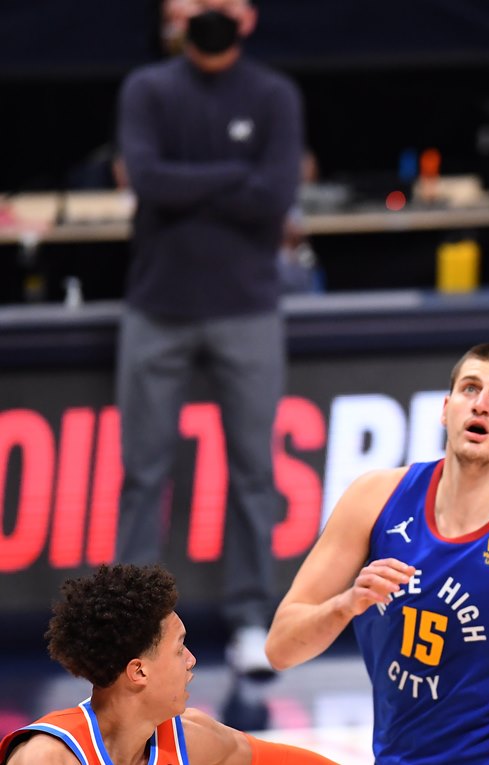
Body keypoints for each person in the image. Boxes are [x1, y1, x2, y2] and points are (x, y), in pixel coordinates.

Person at [264, 343, 489, 764]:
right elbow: (280, 648)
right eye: (470, 388)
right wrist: (345, 605)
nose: (482, 404)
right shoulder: (375, 497)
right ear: (446, 409)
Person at [114, 0, 303, 677]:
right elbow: (148, 180)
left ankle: (251, 619)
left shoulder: (274, 95)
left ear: (246, 16)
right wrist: (234, 174)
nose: (206, 11)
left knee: (254, 473)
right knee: (143, 473)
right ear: (173, 14)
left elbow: (275, 194)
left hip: (247, 309)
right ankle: (130, 629)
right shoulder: (147, 89)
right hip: (157, 307)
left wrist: (191, 184)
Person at [0, 564, 339, 765]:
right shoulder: (47, 758)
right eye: (179, 649)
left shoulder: (190, 738)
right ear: (139, 671)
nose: (191, 660)